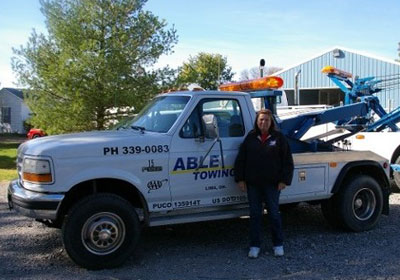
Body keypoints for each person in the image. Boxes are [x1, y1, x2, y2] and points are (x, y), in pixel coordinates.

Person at [234, 109, 294, 258]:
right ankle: (255, 246)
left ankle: (278, 244)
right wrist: (240, 179)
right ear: (257, 121)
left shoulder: (278, 138)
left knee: (274, 214)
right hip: (253, 184)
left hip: (272, 184)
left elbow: (287, 161)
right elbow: (241, 159)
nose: (263, 122)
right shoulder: (251, 137)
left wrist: (284, 180)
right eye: (261, 120)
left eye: (266, 120)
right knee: (255, 215)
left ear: (271, 122)